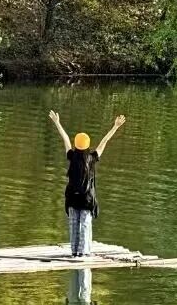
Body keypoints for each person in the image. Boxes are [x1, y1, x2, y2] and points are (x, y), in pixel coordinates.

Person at [49, 110, 126, 257]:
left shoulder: (71, 156)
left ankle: (74, 252)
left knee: (73, 225)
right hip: (86, 200)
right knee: (84, 225)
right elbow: (104, 142)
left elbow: (65, 139)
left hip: (72, 199)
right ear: (87, 145)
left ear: (76, 145)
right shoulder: (92, 158)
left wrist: (57, 123)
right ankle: (83, 253)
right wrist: (115, 127)